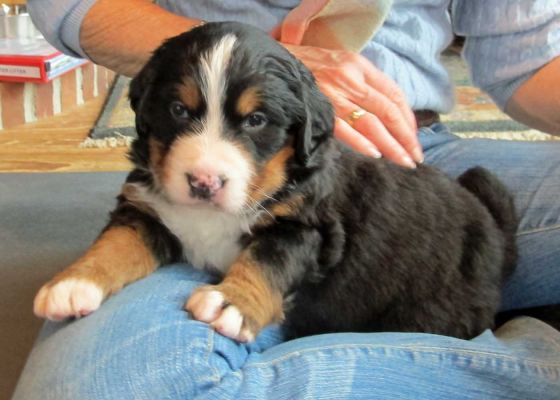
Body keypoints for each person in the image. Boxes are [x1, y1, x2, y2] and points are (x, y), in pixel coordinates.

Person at [14, 1, 560, 398]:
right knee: (102, 388)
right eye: (175, 113)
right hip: (240, 172)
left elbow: (530, 56)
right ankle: (532, 362)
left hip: (414, 154)